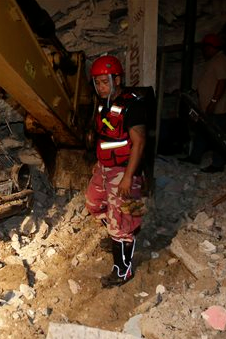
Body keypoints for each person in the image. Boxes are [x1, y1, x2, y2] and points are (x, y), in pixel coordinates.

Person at [85, 55, 147, 288]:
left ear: (117, 79)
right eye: (97, 82)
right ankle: (115, 233)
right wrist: (99, 161)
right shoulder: (105, 103)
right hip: (105, 168)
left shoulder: (132, 105)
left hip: (123, 170)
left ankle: (123, 270)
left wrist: (129, 177)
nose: (101, 87)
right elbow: (106, 136)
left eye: (105, 82)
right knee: (93, 203)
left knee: (121, 222)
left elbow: (139, 143)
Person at [179, 33, 226, 173]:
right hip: (208, 107)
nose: (204, 51)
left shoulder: (220, 60)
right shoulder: (213, 60)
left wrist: (213, 102)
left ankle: (218, 164)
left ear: (211, 47)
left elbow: (222, 82)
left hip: (218, 108)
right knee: (203, 132)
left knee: (217, 135)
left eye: (205, 48)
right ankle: (195, 156)